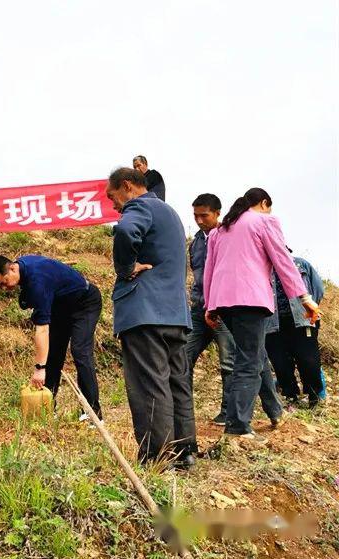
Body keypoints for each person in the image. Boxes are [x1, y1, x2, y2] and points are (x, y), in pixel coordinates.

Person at [203, 188, 320, 444]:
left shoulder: (218, 231)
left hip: (224, 302)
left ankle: (275, 411)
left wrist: (210, 306)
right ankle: (237, 426)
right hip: (250, 300)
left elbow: (210, 270)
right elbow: (282, 260)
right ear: (264, 204)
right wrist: (304, 298)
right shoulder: (264, 221)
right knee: (248, 362)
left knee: (255, 354)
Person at [105, 167, 196, 468]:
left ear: (127, 186)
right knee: (176, 384)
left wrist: (125, 267)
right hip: (175, 314)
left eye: (112, 196)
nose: (113, 205)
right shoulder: (168, 212)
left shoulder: (139, 206)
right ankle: (186, 453)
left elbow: (126, 230)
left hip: (145, 313)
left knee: (150, 386)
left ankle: (157, 458)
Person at [0, 254, 103, 420]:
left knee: (80, 351)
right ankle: (46, 407)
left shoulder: (37, 281)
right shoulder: (23, 269)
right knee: (53, 354)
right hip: (61, 306)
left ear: (12, 268)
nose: (4, 288)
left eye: (3, 282)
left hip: (85, 303)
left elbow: (42, 331)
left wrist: (39, 369)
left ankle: (93, 414)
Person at [184, 194, 235, 426]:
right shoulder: (195, 242)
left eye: (204, 215)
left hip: (223, 308)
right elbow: (197, 277)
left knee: (229, 362)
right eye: (195, 215)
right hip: (200, 309)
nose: (199, 220)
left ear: (217, 213)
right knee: (183, 357)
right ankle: (182, 409)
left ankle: (229, 412)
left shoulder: (229, 237)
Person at [265, 252, 325, 408]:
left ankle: (314, 397)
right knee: (280, 362)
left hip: (301, 320)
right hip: (272, 323)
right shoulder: (261, 269)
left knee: (309, 360)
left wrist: (309, 309)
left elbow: (318, 289)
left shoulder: (301, 264)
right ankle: (290, 396)